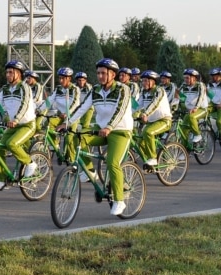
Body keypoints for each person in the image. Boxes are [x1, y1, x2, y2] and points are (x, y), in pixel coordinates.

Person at [62, 58, 133, 216]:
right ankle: (89, 170)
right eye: (98, 73)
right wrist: (67, 123)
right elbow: (82, 107)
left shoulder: (123, 89)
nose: (100, 76)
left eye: (103, 73)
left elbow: (120, 110)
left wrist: (110, 127)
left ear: (112, 74)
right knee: (76, 137)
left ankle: (120, 201)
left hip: (120, 131)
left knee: (112, 162)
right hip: (101, 128)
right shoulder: (95, 90)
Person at [0, 60, 38, 191]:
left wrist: (16, 119)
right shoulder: (5, 89)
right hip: (13, 125)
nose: (8, 74)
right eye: (7, 72)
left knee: (12, 144)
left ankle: (30, 163)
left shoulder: (24, 87)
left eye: (11, 72)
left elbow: (25, 104)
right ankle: (2, 179)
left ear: (19, 74)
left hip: (27, 124)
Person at [134, 70, 172, 167]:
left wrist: (145, 113)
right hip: (151, 121)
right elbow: (137, 105)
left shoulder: (159, 90)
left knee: (148, 132)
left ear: (153, 81)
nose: (143, 83)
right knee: (139, 142)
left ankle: (153, 158)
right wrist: (126, 114)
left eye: (146, 81)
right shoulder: (144, 92)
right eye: (143, 81)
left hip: (164, 120)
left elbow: (155, 103)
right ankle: (150, 162)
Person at [47, 67, 81, 166]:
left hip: (72, 117)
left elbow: (75, 103)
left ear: (69, 79)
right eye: (60, 78)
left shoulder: (75, 89)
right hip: (61, 116)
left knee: (69, 139)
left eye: (63, 78)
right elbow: (49, 100)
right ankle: (55, 145)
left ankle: (73, 162)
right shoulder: (58, 89)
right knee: (48, 123)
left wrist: (67, 113)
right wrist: (38, 110)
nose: (61, 80)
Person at [178, 68, 208, 144]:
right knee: (183, 129)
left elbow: (200, 97)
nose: (185, 80)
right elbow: (177, 93)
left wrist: (196, 108)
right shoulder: (184, 85)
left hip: (201, 109)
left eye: (187, 78)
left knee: (191, 117)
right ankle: (185, 150)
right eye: (184, 78)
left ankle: (198, 135)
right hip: (190, 110)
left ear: (194, 78)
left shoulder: (200, 85)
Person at [207, 67, 221, 134]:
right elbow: (208, 94)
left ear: (219, 75)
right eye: (211, 75)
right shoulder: (210, 84)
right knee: (203, 111)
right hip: (213, 104)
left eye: (213, 75)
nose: (212, 77)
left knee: (219, 122)